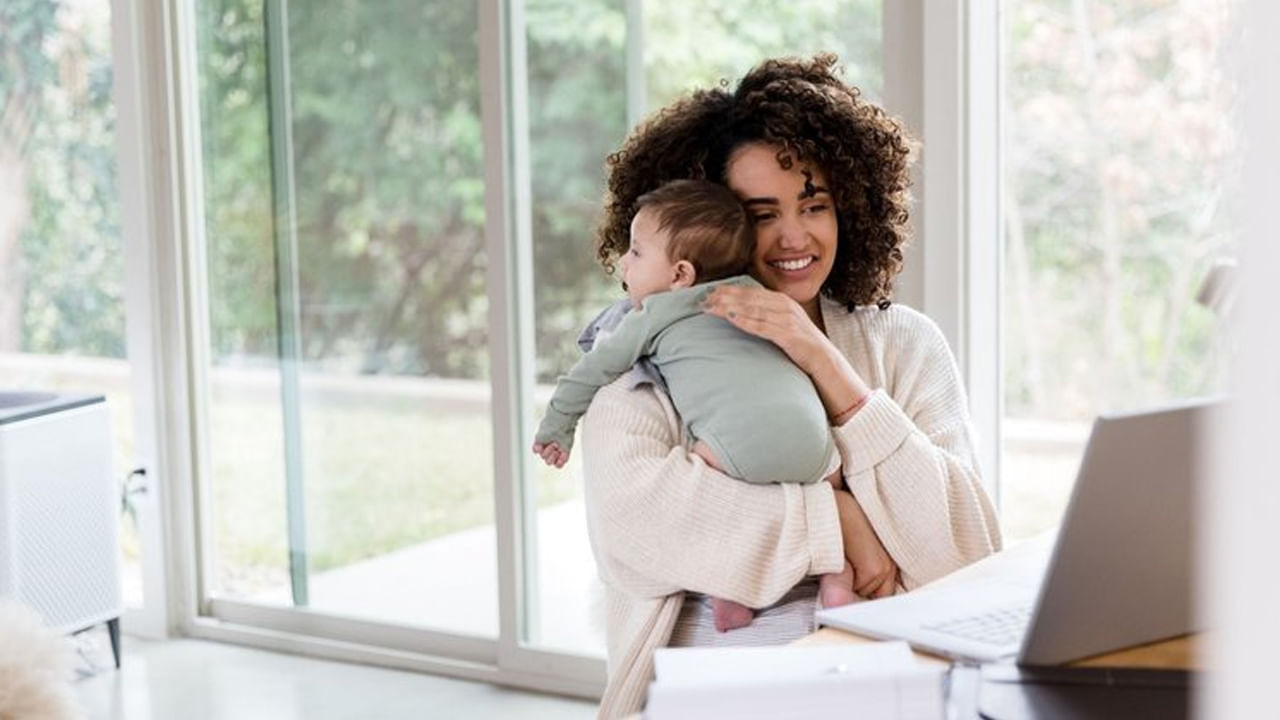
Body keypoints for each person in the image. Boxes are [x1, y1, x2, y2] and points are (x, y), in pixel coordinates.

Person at [578, 53, 1003, 718]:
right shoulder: (644, 343)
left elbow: (967, 556)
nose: (793, 236)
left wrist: (829, 368)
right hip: (713, 682)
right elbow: (634, 529)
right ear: (708, 226)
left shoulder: (906, 344)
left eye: (815, 205)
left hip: (884, 675)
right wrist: (839, 521)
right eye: (761, 213)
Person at [532, 179, 857, 632]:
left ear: (681, 275)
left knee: (706, 484)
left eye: (636, 252)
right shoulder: (761, 297)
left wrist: (556, 426)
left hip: (736, 448)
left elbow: (593, 370)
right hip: (816, 446)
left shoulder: (652, 315)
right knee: (836, 495)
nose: (623, 262)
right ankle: (839, 584)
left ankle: (731, 595)